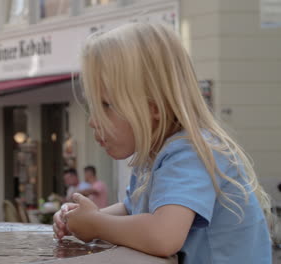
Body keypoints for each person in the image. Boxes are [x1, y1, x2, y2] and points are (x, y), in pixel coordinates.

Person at [53, 23, 272, 263]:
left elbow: (164, 235)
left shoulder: (190, 153)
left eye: (106, 105)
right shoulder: (155, 157)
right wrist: (80, 219)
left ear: (153, 108)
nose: (93, 122)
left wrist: (95, 224)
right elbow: (131, 209)